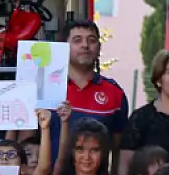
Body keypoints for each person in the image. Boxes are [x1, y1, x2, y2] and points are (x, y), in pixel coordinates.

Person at [38, 19, 129, 165]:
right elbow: (27, 143)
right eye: (77, 40)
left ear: (99, 48)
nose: (85, 45)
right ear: (64, 47)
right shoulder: (43, 87)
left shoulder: (115, 93)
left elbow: (117, 150)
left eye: (91, 40)